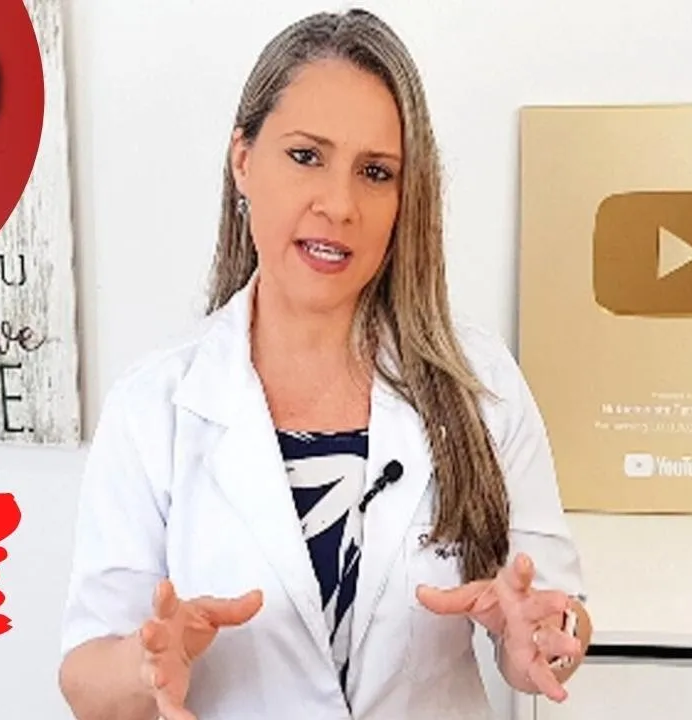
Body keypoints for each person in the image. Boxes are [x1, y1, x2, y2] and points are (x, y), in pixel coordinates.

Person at [57, 8, 591, 720]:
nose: (339, 205)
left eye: (375, 172)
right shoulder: (152, 407)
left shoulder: (482, 386)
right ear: (243, 160)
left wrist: (546, 639)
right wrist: (145, 661)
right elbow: (86, 682)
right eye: (306, 156)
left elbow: (558, 611)